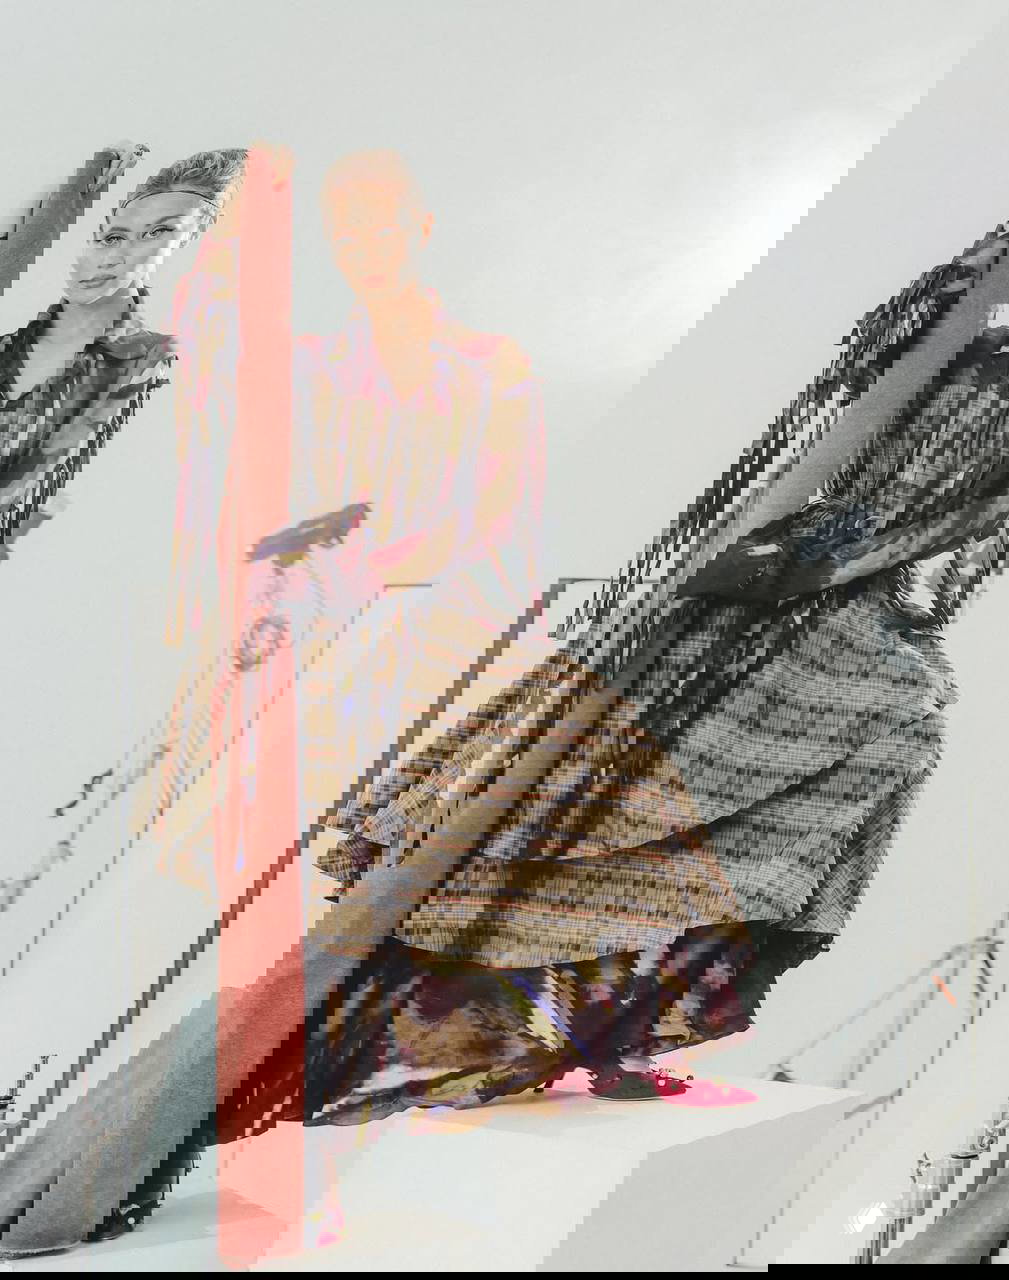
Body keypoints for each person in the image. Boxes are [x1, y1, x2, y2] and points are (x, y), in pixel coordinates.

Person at [3, 214, 1009, 1258]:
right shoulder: (947, 322)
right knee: (428, 909)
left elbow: (916, 527)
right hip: (733, 616)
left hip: (782, 610)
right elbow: (826, 470)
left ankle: (550, 1011)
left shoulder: (958, 375)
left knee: (882, 736)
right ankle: (192, 1123)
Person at [0, 148, 247, 549]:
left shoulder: (149, 369)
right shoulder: (12, 345)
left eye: (160, 234)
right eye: (113, 236)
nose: (115, 256)